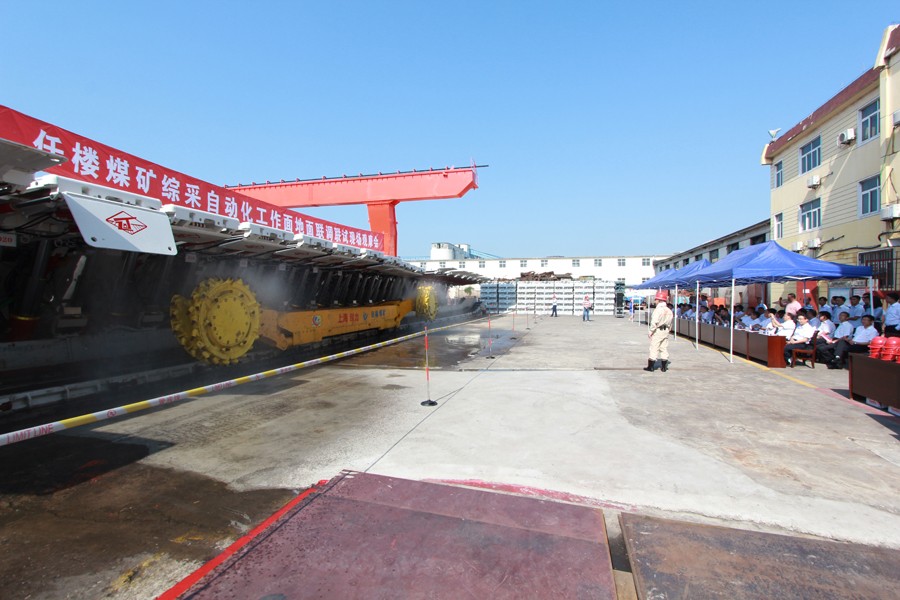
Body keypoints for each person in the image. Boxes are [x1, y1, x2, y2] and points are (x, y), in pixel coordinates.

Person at [644, 290, 674, 372]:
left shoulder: (658, 310)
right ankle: (664, 367)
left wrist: (651, 332)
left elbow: (654, 322)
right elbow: (670, 322)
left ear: (659, 300)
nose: (655, 301)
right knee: (664, 347)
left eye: (656, 299)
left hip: (658, 330)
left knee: (654, 347)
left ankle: (651, 366)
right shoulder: (669, 310)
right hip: (666, 330)